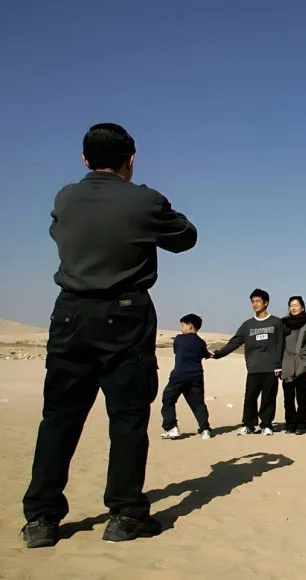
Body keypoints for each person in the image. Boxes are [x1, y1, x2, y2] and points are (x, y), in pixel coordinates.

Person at [21, 123, 197, 548]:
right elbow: (186, 237)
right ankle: (125, 515)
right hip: (125, 316)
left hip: (70, 316)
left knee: (60, 418)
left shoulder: (65, 196)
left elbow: (59, 232)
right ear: (131, 159)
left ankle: (41, 520)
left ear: (84, 159)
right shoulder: (145, 200)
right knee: (128, 418)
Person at [211, 289, 285, 436]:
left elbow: (280, 344)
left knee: (268, 398)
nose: (255, 304)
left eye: (258, 301)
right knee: (250, 397)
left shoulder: (276, 322)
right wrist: (218, 354)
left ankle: (266, 425)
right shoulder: (247, 325)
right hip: (253, 367)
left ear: (266, 302)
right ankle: (248, 425)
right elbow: (235, 342)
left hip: (271, 367)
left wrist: (278, 364)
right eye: (252, 301)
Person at [160, 314, 213, 440]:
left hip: (179, 376)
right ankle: (205, 430)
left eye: (182, 325)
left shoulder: (179, 339)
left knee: (168, 400)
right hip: (196, 377)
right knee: (198, 404)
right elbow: (205, 354)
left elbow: (177, 351)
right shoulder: (201, 342)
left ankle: (171, 427)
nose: (181, 328)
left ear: (190, 326)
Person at [280, 296, 306, 433]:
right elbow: (279, 345)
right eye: (291, 305)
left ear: (302, 307)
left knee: (301, 398)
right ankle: (290, 424)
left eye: (296, 305)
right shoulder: (283, 324)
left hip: (303, 365)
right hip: (287, 365)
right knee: (288, 399)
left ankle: (301, 424)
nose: (293, 308)